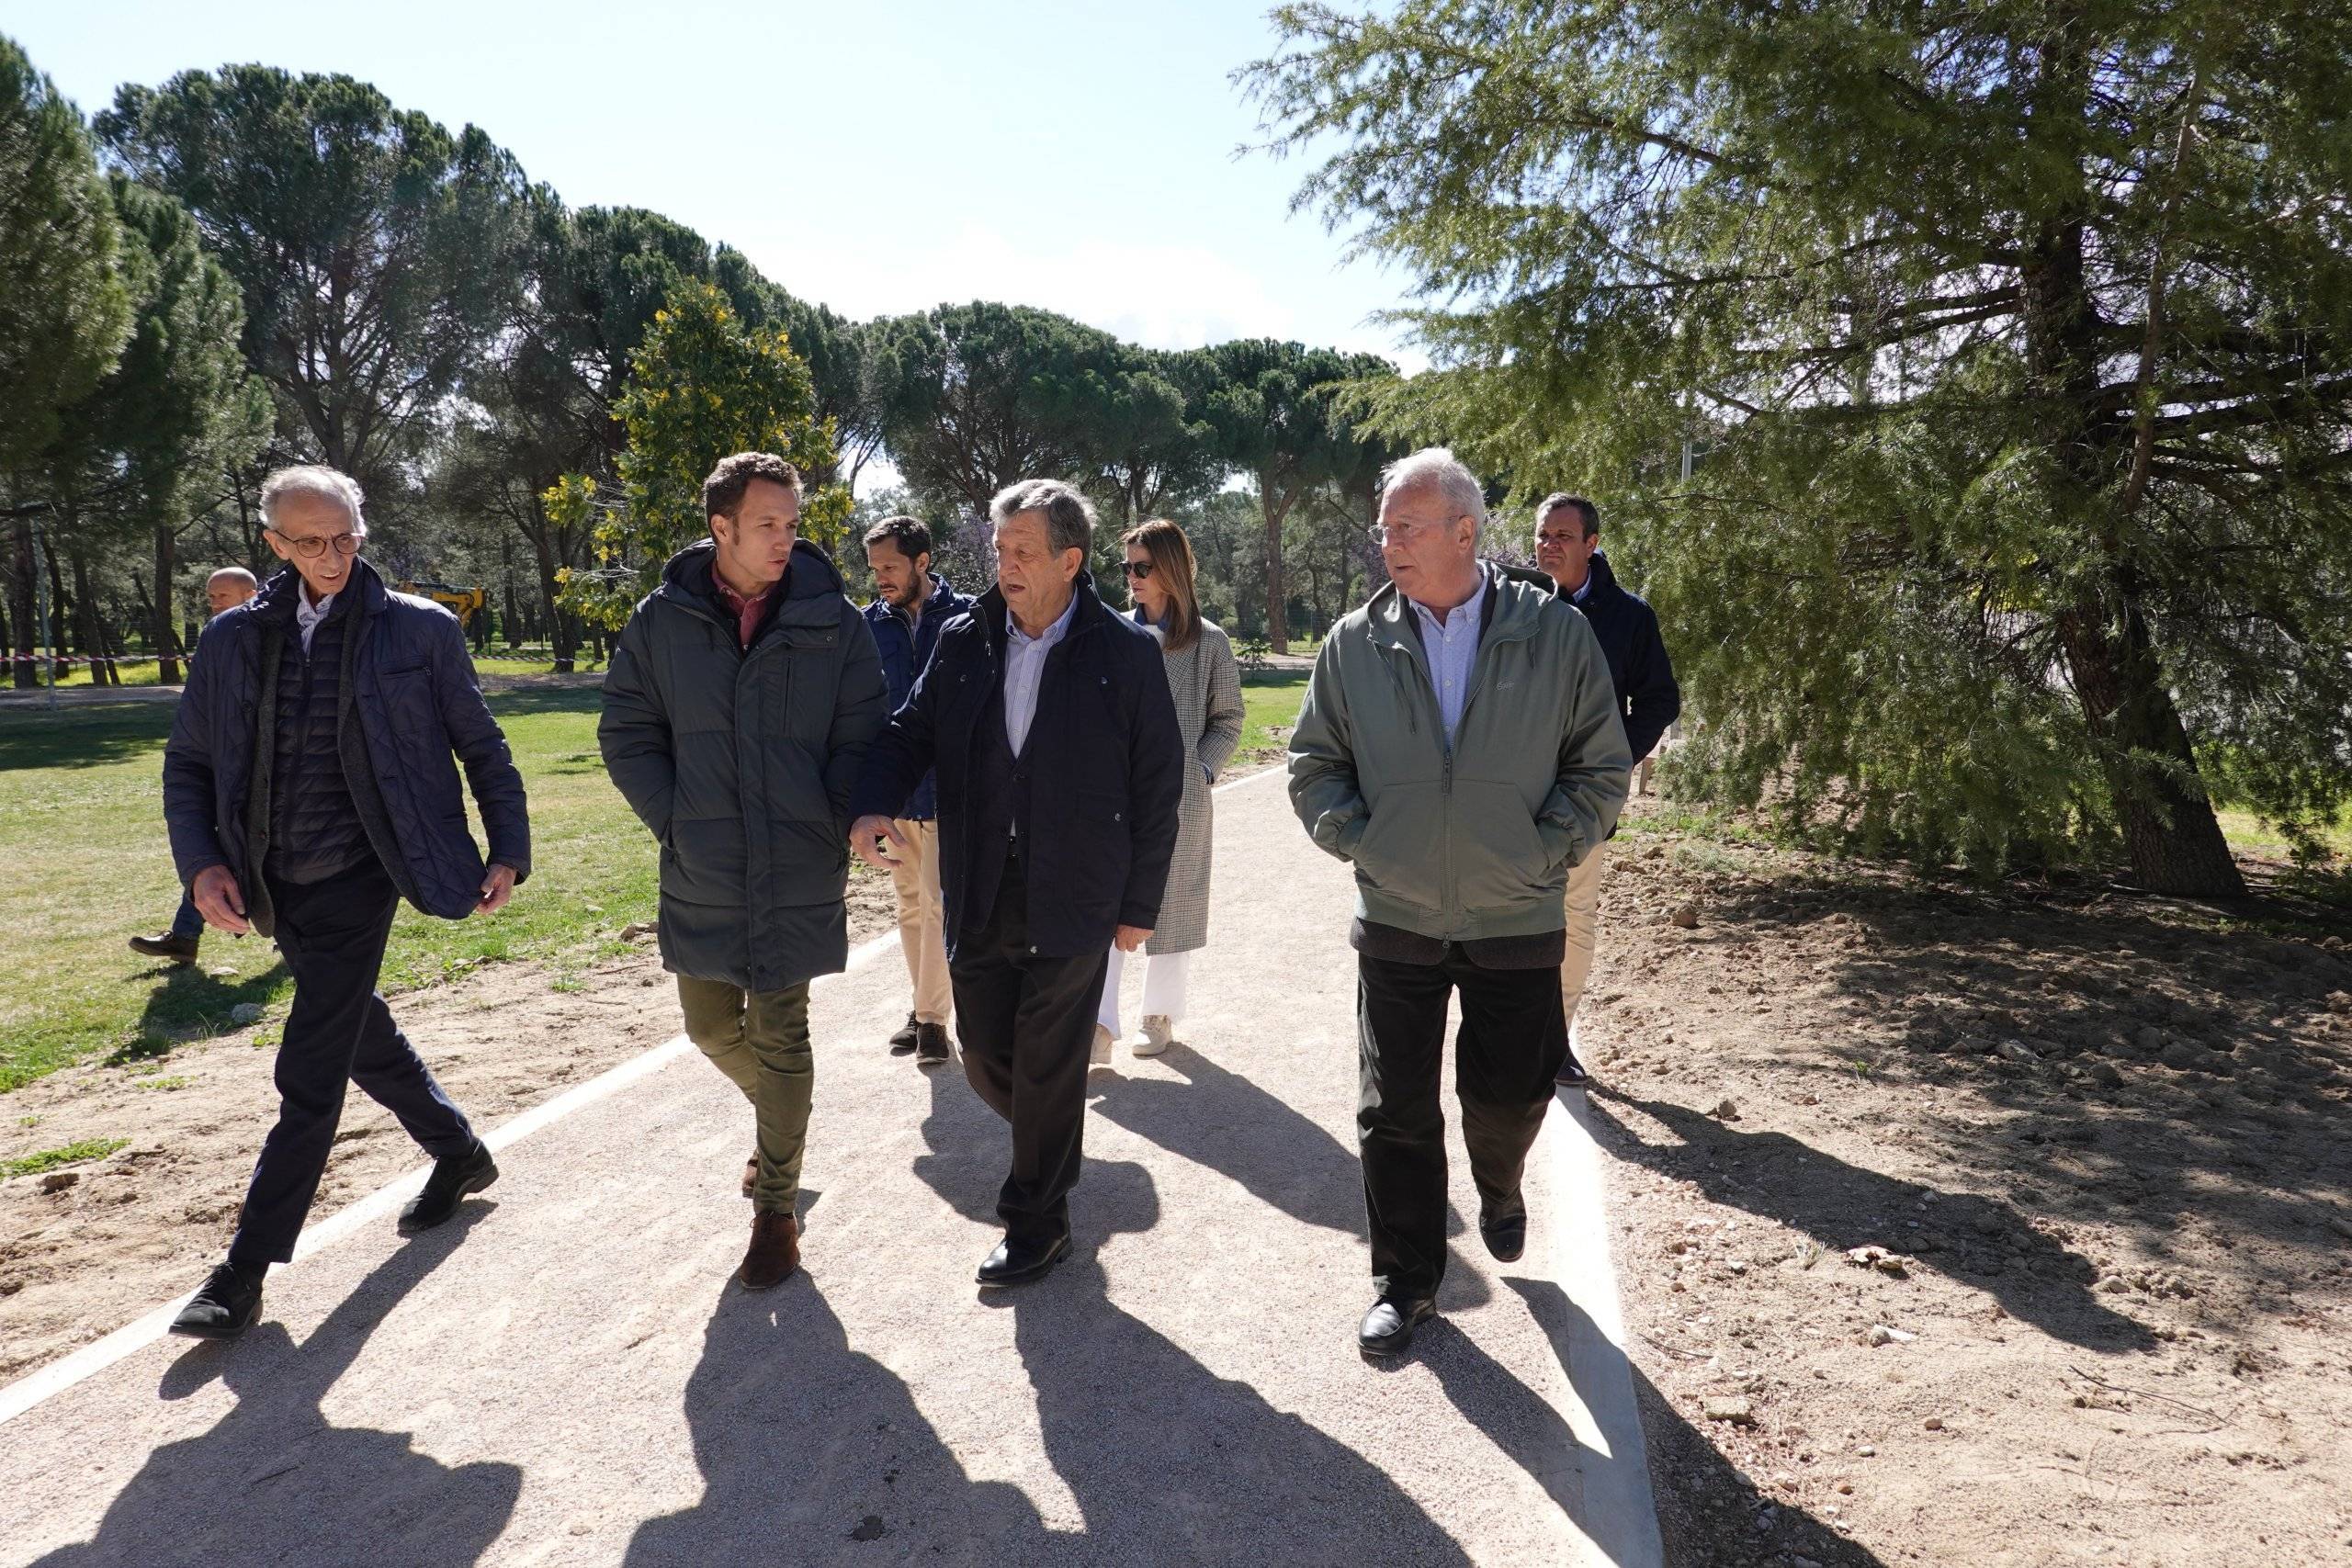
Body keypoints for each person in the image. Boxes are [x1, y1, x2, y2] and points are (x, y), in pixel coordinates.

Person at [160, 466, 530, 1339]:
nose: (332, 555)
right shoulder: (232, 638)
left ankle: (243, 1268)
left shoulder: (420, 629)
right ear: (275, 545)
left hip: (369, 866)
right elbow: (191, 764)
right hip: (268, 872)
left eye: (346, 536)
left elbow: (480, 742)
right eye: (311, 541)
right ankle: (458, 1151)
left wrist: (509, 846)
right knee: (351, 1021)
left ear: (362, 528)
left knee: (312, 1063)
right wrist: (201, 862)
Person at [1288, 447, 1630, 1357]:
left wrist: (1543, 852)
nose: (1387, 541)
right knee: (1391, 1107)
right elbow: (1313, 762)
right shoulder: (1354, 642)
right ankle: (1405, 1280)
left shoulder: (1553, 635)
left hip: (1516, 915)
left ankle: (1501, 1181)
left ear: (1465, 532)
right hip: (1396, 916)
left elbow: (1600, 765)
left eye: (1405, 525)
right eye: (1384, 527)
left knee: (1508, 1094)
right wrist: (1364, 841)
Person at [849, 479, 1183, 1288]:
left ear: (1070, 560)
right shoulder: (964, 642)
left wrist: (1139, 906)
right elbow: (911, 731)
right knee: (991, 1058)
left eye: (1024, 552)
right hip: (978, 888)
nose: (1006, 566)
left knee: (1042, 1058)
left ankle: (1036, 1219)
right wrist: (870, 805)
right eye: (999, 551)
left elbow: (1157, 783)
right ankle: (1050, 1129)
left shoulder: (1125, 654)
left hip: (1077, 893)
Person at [600, 452, 888, 1292]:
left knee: (783, 1031)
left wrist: (835, 820)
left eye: (792, 523)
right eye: (768, 523)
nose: (785, 539)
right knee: (709, 1026)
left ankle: (777, 1210)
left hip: (799, 858)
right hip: (704, 861)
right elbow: (626, 730)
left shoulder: (833, 620)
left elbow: (861, 735)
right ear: (719, 527)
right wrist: (677, 820)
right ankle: (782, 1138)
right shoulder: (661, 621)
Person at [1532, 494, 1680, 1086]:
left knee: (1572, 914)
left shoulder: (1629, 617)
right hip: (1510, 792)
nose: (1550, 545)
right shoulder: (1515, 607)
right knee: (1508, 915)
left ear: (1592, 544)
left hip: (1584, 801)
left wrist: (1610, 764)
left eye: (1563, 535)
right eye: (1543, 534)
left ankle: (1554, 1040)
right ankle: (1513, 1030)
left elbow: (1659, 700)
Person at [1094, 519, 1243, 1060]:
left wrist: (1200, 771)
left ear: (1171, 570)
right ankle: (1100, 1023)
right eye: (1127, 567)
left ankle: (1158, 1016)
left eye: (1142, 567)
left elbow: (1228, 720)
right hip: (1115, 796)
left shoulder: (1209, 642)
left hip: (1182, 799)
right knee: (1107, 902)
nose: (1131, 577)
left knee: (1174, 903)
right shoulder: (1111, 634)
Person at [861, 515, 972, 1067]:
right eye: (874, 567)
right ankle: (925, 1012)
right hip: (897, 792)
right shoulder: (866, 627)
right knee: (909, 905)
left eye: (890, 566)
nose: (880, 577)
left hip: (952, 791)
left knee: (938, 904)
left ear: (921, 561)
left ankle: (931, 1020)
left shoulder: (968, 616)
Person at [131, 568, 259, 964]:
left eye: (223, 596)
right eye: (211, 598)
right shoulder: (217, 641)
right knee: (212, 851)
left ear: (251, 594)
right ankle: (185, 935)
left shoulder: (269, 639)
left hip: (266, 774)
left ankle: (301, 939)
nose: (215, 604)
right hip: (227, 768)